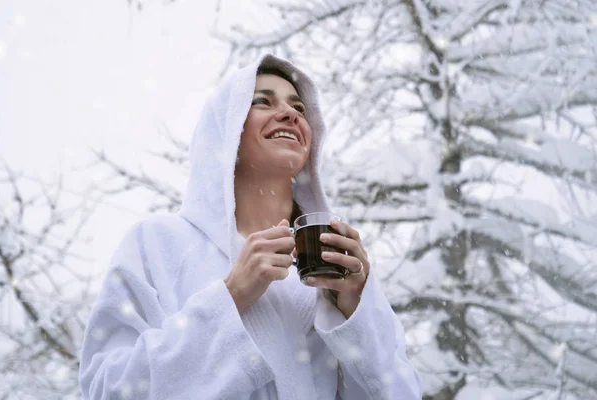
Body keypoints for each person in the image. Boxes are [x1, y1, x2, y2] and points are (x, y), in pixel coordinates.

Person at [79, 54, 422, 399]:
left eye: (299, 108)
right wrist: (231, 295)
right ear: (225, 132)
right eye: (262, 101)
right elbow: (108, 390)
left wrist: (356, 309)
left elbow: (402, 394)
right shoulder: (157, 245)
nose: (289, 113)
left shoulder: (334, 275)